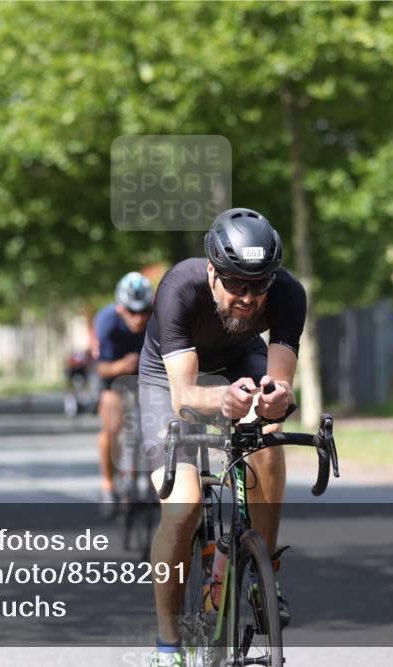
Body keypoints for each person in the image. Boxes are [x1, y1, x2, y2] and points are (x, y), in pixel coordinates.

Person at [138, 208, 305, 666]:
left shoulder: (288, 293)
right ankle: (168, 646)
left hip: (238, 360)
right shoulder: (179, 287)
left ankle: (260, 574)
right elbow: (185, 395)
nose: (249, 298)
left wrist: (274, 400)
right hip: (169, 378)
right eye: (236, 284)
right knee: (184, 506)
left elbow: (280, 382)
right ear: (212, 271)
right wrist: (222, 402)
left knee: (270, 433)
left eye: (259, 284)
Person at [94, 271, 153, 516]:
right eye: (131, 311)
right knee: (113, 425)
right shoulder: (106, 321)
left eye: (143, 311)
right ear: (120, 308)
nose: (138, 318)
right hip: (114, 378)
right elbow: (100, 368)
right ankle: (108, 485)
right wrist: (123, 365)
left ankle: (152, 482)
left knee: (156, 425)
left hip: (147, 378)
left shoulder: (157, 319)